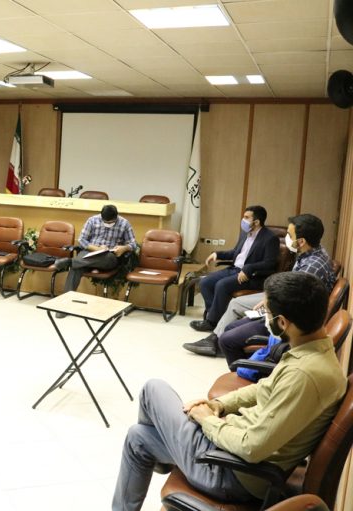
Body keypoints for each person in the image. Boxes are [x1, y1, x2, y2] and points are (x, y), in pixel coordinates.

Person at [112, 271, 346, 511]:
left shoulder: (304, 375)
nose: (265, 318)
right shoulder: (311, 354)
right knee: (138, 438)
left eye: (267, 314)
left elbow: (251, 447)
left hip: (230, 473)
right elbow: (262, 389)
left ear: (283, 323)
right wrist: (220, 405)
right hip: (230, 453)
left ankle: (170, 455)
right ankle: (168, 454)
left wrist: (208, 420)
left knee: (152, 389)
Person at [183, 213, 336, 361]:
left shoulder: (311, 266)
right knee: (230, 305)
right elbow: (295, 290)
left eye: (290, 235)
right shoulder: (311, 252)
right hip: (282, 299)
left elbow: (293, 302)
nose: (287, 239)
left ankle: (220, 344)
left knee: (230, 323)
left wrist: (268, 304)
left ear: (301, 241)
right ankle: (214, 337)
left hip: (286, 315)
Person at [190, 205, 278, 333]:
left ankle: (212, 322)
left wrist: (249, 268)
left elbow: (270, 263)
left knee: (222, 285)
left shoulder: (270, 238)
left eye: (246, 217)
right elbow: (236, 252)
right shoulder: (245, 233)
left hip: (252, 276)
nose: (243, 220)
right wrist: (218, 254)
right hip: (234, 269)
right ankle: (216, 318)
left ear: (257, 222)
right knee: (205, 282)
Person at [53, 205, 136, 317]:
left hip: (109, 257)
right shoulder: (92, 220)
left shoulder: (124, 223)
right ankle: (64, 307)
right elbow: (82, 240)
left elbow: (133, 244)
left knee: (104, 258)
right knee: (76, 268)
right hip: (90, 252)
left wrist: (124, 248)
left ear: (116, 217)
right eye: (105, 222)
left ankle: (71, 262)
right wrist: (97, 249)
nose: (108, 224)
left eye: (111, 222)